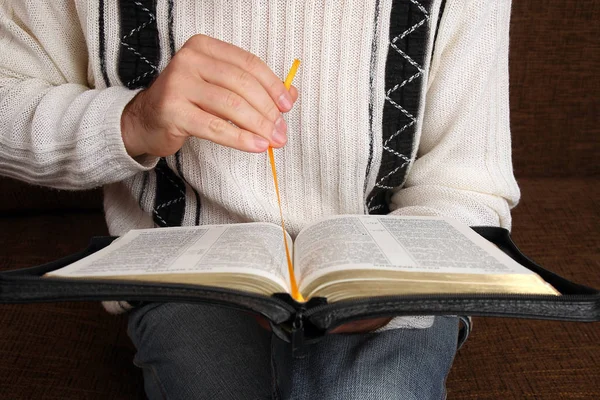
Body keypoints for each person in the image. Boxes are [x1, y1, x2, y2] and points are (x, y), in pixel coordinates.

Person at [0, 1, 520, 399]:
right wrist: (133, 121)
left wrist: (386, 285)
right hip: (186, 277)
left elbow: (467, 185)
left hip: (401, 287)